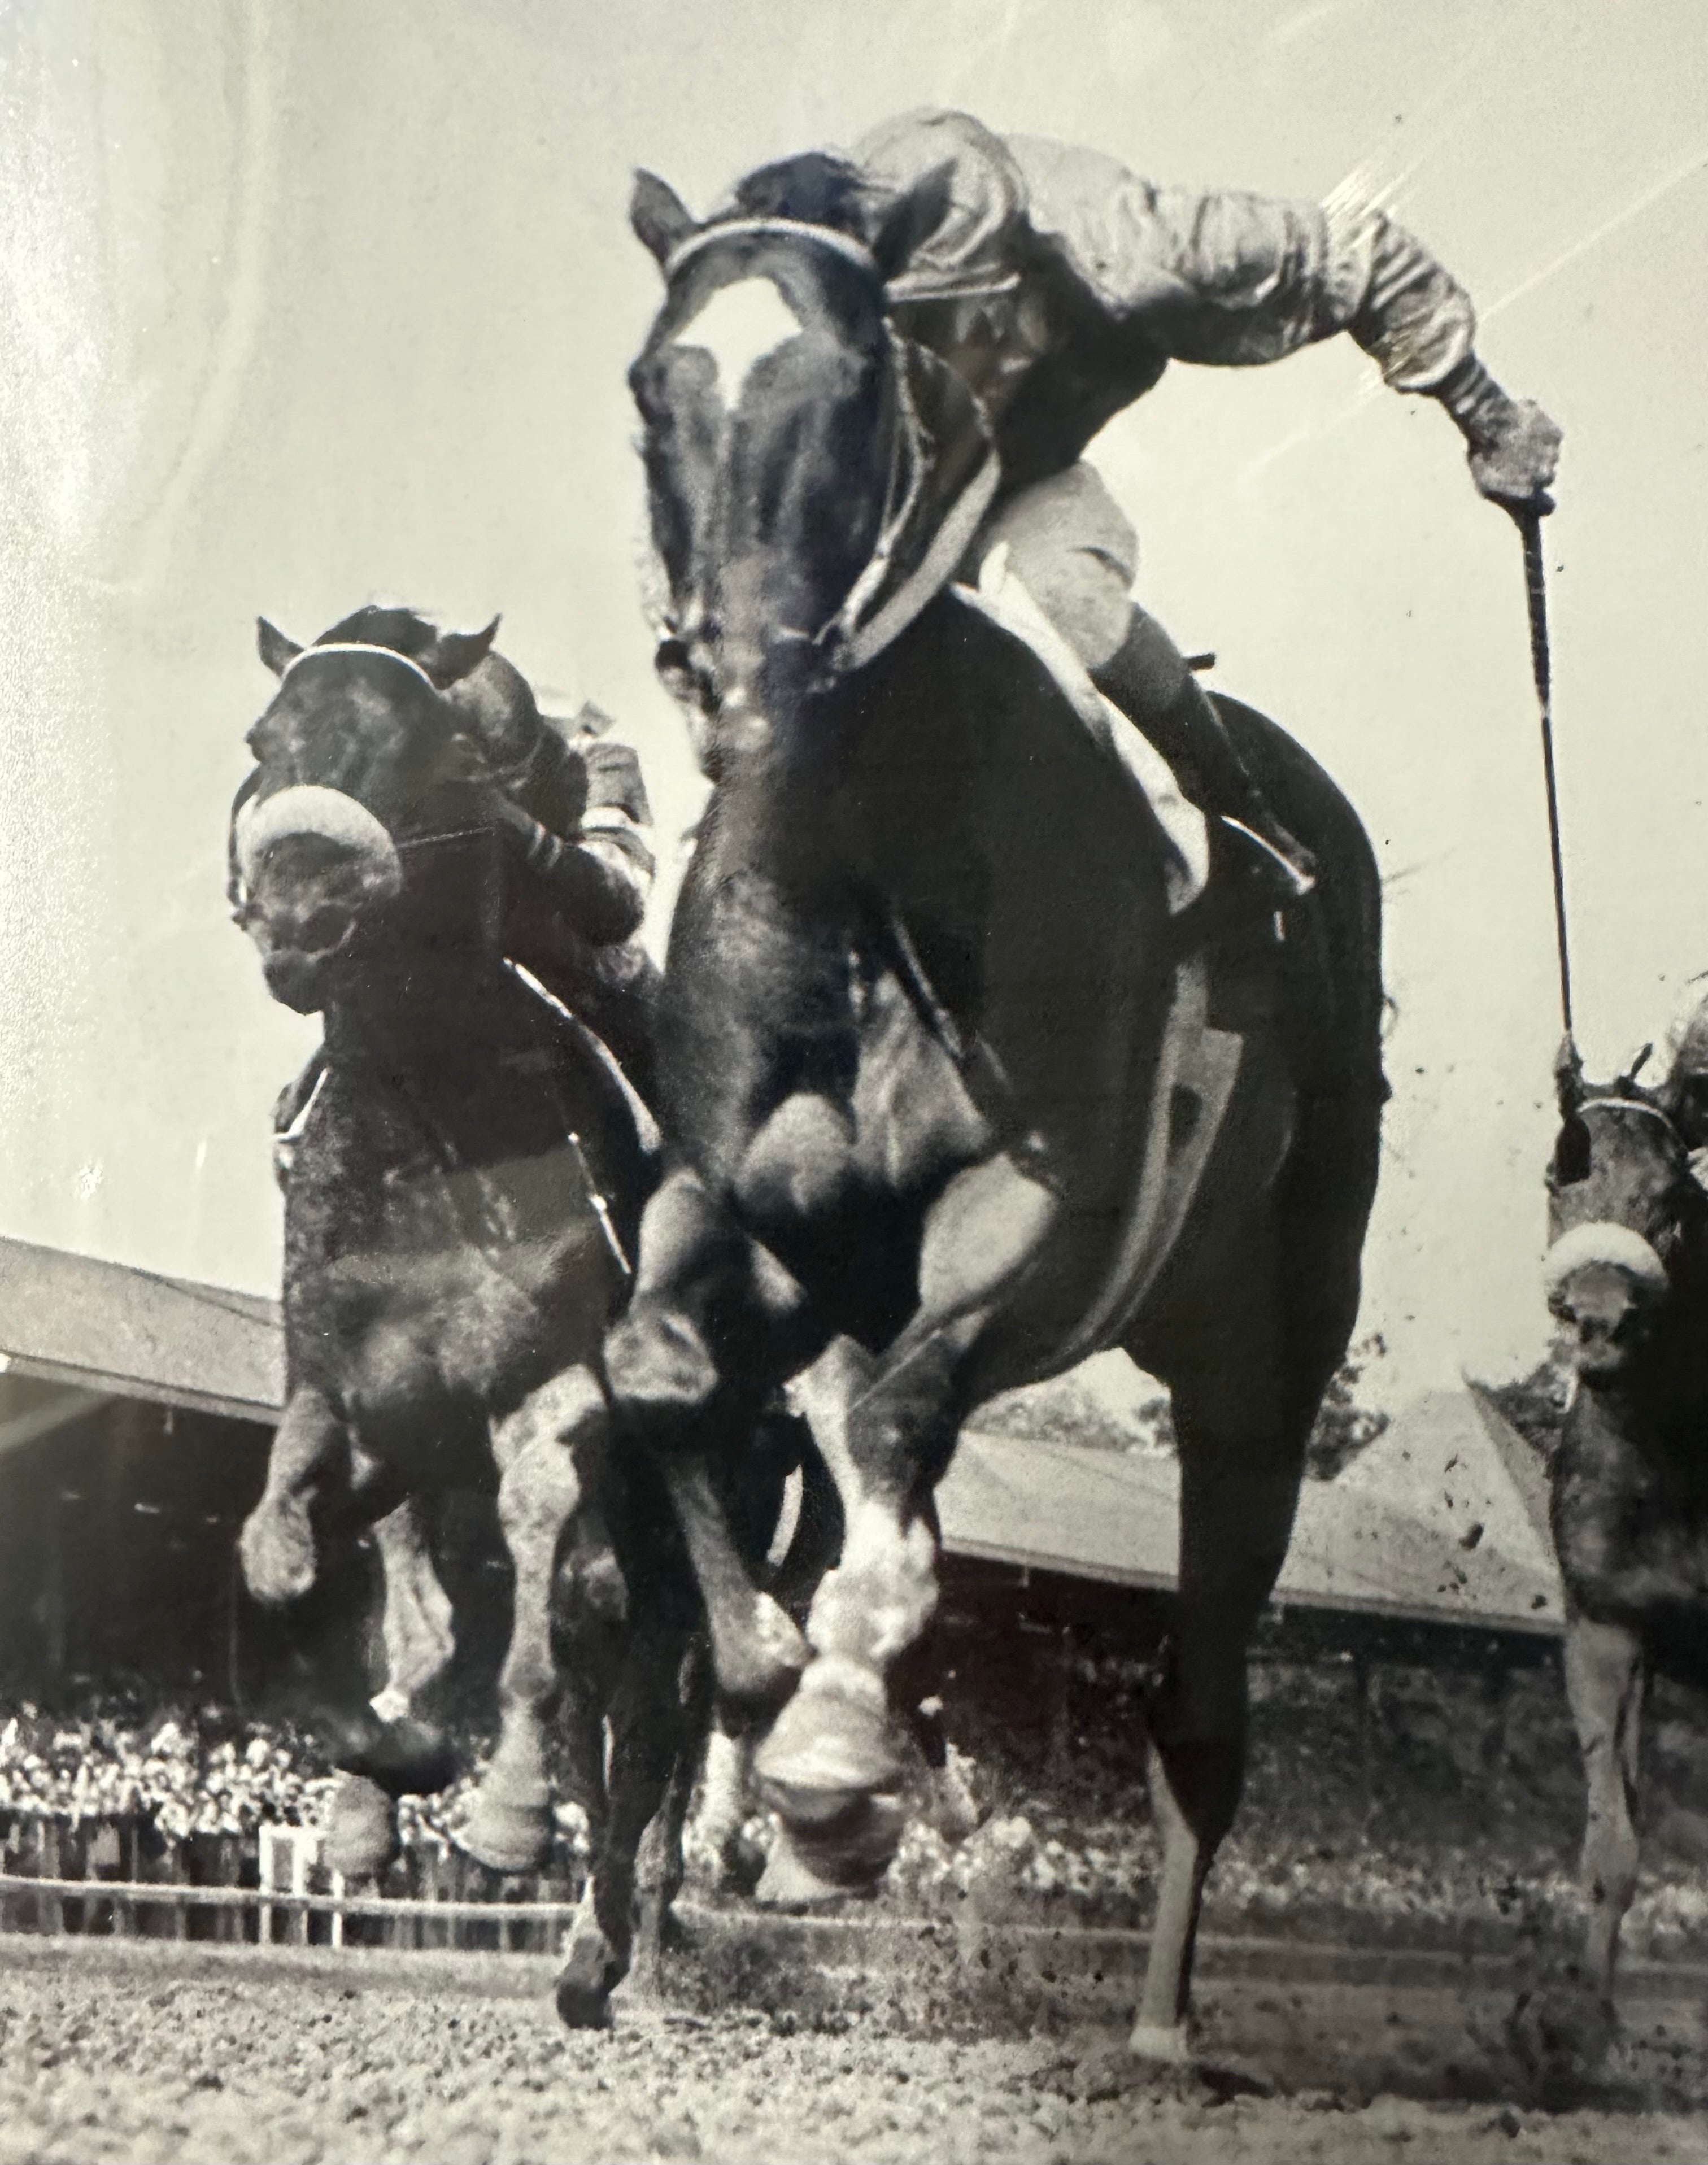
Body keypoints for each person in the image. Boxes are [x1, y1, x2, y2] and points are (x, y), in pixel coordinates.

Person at [722, 108, 1563, 898]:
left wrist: (1491, 422)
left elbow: (1365, 256)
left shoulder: (1127, 242)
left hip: (1033, 484)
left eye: (984, 320)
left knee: (1055, 594)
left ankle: (1241, 812)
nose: (971, 358)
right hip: (912, 513)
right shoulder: (839, 346)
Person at [251, 639, 661, 1181]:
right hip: (452, 947)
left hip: (566, 929)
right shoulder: (395, 748)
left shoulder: (598, 750)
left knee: (674, 1057)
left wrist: (513, 825)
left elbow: (616, 902)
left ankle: (691, 1163)